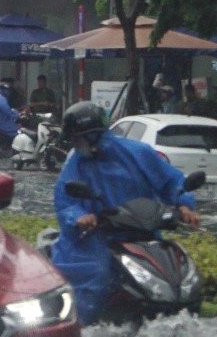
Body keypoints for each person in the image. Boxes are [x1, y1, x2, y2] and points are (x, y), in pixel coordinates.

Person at [51, 100, 200, 324]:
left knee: (180, 271)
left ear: (93, 135)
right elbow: (65, 199)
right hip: (98, 236)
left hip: (143, 233)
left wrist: (184, 205)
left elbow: (171, 181)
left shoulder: (138, 153)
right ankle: (82, 329)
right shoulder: (76, 162)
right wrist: (80, 217)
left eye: (79, 138)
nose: (76, 143)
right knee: (97, 274)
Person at [0, 79, 23, 155]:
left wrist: (15, 111)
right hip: (1, 122)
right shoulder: (1, 99)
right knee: (16, 131)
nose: (9, 92)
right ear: (3, 90)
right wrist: (17, 115)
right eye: (7, 90)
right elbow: (6, 110)